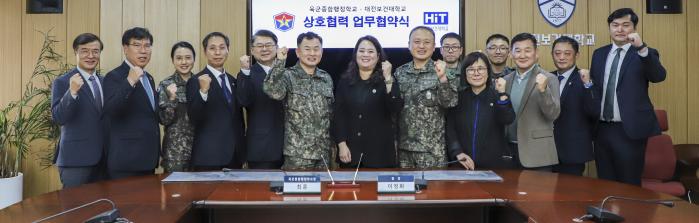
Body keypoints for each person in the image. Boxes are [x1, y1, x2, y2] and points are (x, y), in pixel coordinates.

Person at [591, 8, 666, 185]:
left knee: (629, 183)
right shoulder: (599, 54)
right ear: (609, 28)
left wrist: (641, 47)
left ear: (634, 28)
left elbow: (658, 76)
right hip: (602, 129)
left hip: (629, 130)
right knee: (605, 182)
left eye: (626, 25)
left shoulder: (644, 53)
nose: (620, 29)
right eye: (615, 25)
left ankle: (630, 214)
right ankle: (608, 213)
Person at [263, 32, 334, 170]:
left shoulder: (326, 78)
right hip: (297, 154)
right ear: (298, 52)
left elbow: (330, 113)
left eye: (316, 49)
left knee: (324, 191)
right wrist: (279, 62)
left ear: (322, 51)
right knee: (298, 192)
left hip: (323, 153)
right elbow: (272, 91)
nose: (312, 53)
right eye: (307, 49)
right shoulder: (288, 75)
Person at [395, 26, 459, 168]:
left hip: (432, 152)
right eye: (417, 42)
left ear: (434, 46)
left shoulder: (444, 71)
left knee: (435, 190)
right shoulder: (399, 73)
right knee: (404, 190)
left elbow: (450, 103)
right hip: (404, 150)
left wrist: (442, 78)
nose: (421, 46)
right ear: (409, 45)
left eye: (427, 42)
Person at [333, 36, 401, 168]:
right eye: (362, 51)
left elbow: (395, 108)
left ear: (378, 56)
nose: (365, 55)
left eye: (370, 51)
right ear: (356, 54)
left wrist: (388, 79)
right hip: (350, 153)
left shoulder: (387, 80)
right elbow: (338, 115)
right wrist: (341, 144)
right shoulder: (345, 81)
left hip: (380, 154)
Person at [102, 27, 160, 179]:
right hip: (126, 161)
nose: (143, 50)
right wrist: (130, 81)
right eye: (137, 45)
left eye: (147, 46)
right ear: (125, 48)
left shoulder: (149, 78)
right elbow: (111, 110)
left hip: (148, 160)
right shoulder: (113, 76)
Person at [51, 33, 106, 187]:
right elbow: (58, 118)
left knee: (101, 208)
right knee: (73, 208)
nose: (90, 55)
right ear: (76, 52)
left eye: (95, 51)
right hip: (75, 160)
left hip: (104, 160)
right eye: (84, 51)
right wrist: (72, 92)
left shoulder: (105, 81)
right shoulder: (62, 82)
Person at [186, 32, 245, 171]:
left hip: (235, 157)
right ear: (205, 52)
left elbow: (238, 119)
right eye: (212, 48)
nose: (217, 52)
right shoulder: (195, 80)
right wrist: (203, 92)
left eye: (222, 47)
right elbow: (193, 116)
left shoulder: (233, 81)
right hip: (208, 157)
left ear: (228, 50)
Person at [446, 52, 515, 170]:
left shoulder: (497, 96)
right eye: (471, 69)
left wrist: (502, 93)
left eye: (481, 69)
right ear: (465, 74)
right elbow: (450, 129)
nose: (476, 73)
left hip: (493, 166)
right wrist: (457, 152)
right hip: (462, 164)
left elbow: (507, 119)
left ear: (488, 72)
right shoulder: (458, 98)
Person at [503, 32, 560, 171]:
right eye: (518, 50)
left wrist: (543, 90)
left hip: (537, 153)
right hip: (509, 151)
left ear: (536, 53)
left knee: (538, 193)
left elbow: (553, 114)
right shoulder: (505, 80)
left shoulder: (549, 78)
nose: (522, 55)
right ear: (511, 54)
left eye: (527, 50)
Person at [550, 36, 599, 176]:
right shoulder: (546, 78)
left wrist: (587, 85)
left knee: (570, 194)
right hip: (546, 151)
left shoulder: (586, 79)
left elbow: (594, 111)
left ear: (576, 55)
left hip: (573, 151)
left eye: (567, 53)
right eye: (557, 53)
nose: (561, 57)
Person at [237, 30, 285, 169]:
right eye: (260, 46)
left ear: (277, 48)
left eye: (269, 45)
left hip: (290, 147)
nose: (264, 49)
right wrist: (244, 71)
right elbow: (243, 101)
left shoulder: (285, 73)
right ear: (252, 50)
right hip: (262, 148)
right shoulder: (247, 74)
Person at [158, 41, 196, 172]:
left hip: (200, 151)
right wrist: (172, 99)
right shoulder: (166, 84)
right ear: (173, 60)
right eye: (179, 58)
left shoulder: (201, 83)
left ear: (194, 59)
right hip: (175, 154)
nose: (184, 62)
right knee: (174, 191)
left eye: (188, 57)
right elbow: (164, 120)